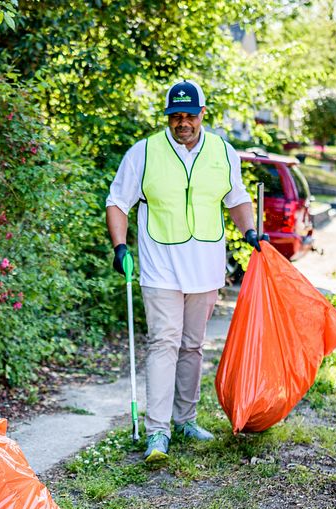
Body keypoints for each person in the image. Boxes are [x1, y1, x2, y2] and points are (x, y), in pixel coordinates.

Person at [106, 80, 266, 463]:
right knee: (164, 343)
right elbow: (117, 202)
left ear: (202, 115)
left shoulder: (223, 152)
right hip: (160, 269)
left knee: (193, 346)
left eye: (189, 116)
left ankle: (186, 420)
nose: (183, 123)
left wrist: (250, 232)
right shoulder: (143, 153)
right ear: (168, 117)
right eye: (175, 116)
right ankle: (157, 432)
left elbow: (237, 198)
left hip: (205, 270)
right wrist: (120, 246)